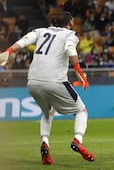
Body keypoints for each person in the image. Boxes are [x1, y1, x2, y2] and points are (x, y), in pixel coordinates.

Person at [0, 11, 95, 164]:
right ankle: (78, 140)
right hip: (55, 81)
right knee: (81, 110)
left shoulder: (40, 31)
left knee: (47, 111)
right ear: (70, 22)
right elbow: (70, 49)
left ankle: (45, 143)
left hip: (33, 82)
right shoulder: (70, 34)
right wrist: (79, 72)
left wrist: (8, 52)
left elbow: (24, 41)